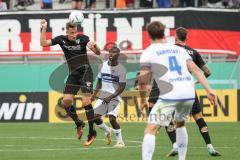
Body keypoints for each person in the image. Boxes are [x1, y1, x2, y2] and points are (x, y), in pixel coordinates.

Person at [138, 21, 218, 160]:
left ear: (148, 35)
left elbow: (143, 80)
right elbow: (196, 69)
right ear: (165, 34)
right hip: (188, 92)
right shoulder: (179, 49)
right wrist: (209, 90)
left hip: (170, 93)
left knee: (150, 129)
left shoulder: (149, 51)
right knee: (180, 123)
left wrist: (144, 99)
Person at [40, 19, 101, 146]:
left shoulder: (83, 39)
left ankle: (92, 132)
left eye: (75, 32)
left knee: (86, 101)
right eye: (71, 32)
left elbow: (98, 52)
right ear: (67, 32)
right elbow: (43, 43)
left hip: (86, 72)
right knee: (66, 101)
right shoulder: (61, 40)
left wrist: (95, 46)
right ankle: (78, 123)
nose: (73, 35)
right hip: (73, 75)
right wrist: (44, 28)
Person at [91, 46, 126, 147]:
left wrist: (110, 97)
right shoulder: (103, 66)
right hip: (103, 95)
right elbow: (99, 81)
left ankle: (120, 141)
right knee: (94, 117)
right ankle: (107, 131)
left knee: (112, 119)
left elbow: (121, 87)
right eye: (110, 52)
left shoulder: (121, 70)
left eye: (114, 53)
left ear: (118, 55)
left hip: (114, 97)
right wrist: (94, 94)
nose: (111, 54)